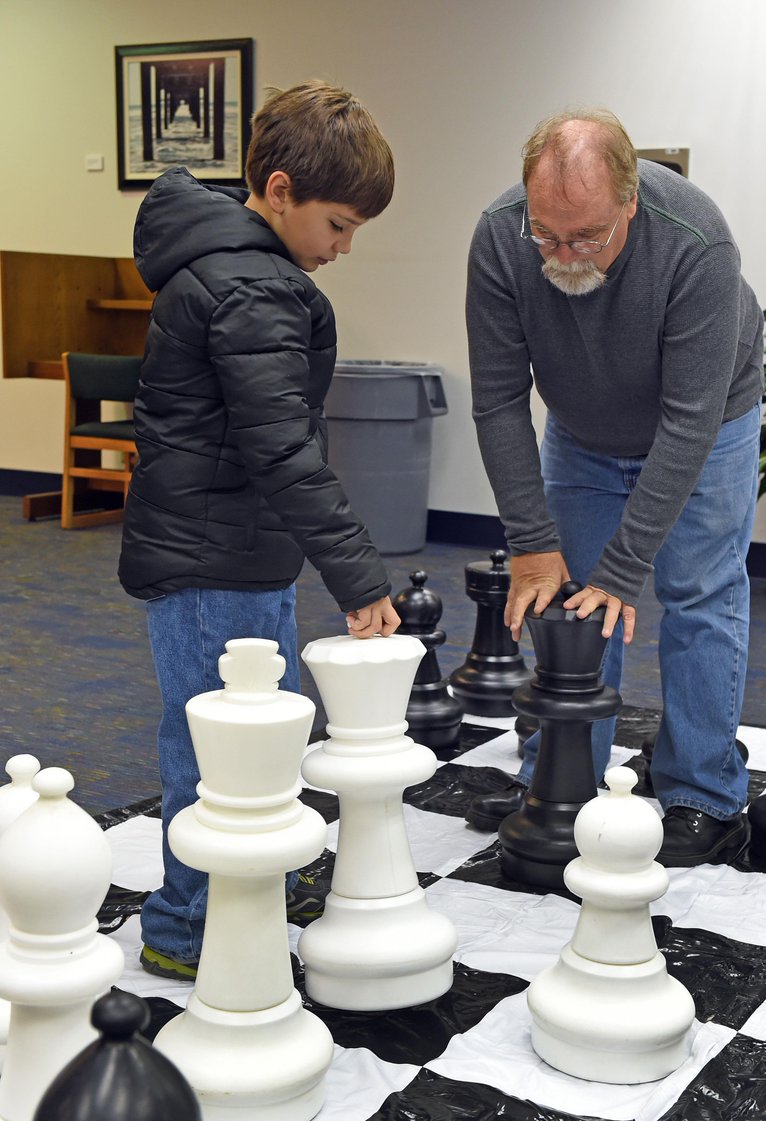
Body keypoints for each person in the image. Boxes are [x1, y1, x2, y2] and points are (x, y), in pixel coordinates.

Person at [118, 81, 400, 980]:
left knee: (247, 735)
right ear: (279, 192)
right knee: (217, 749)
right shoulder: (252, 287)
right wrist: (358, 577)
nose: (345, 249)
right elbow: (283, 450)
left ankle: (242, 887)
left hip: (227, 546)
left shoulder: (231, 268)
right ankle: (190, 924)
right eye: (338, 224)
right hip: (214, 559)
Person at [464, 107, 763, 867]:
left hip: (708, 422)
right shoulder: (501, 236)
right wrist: (532, 547)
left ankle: (704, 794)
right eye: (548, 234)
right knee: (567, 598)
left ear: (630, 199)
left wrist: (627, 569)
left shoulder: (695, 240)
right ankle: (560, 777)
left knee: (697, 594)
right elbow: (497, 400)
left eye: (588, 235)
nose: (563, 253)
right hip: (582, 429)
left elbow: (688, 420)